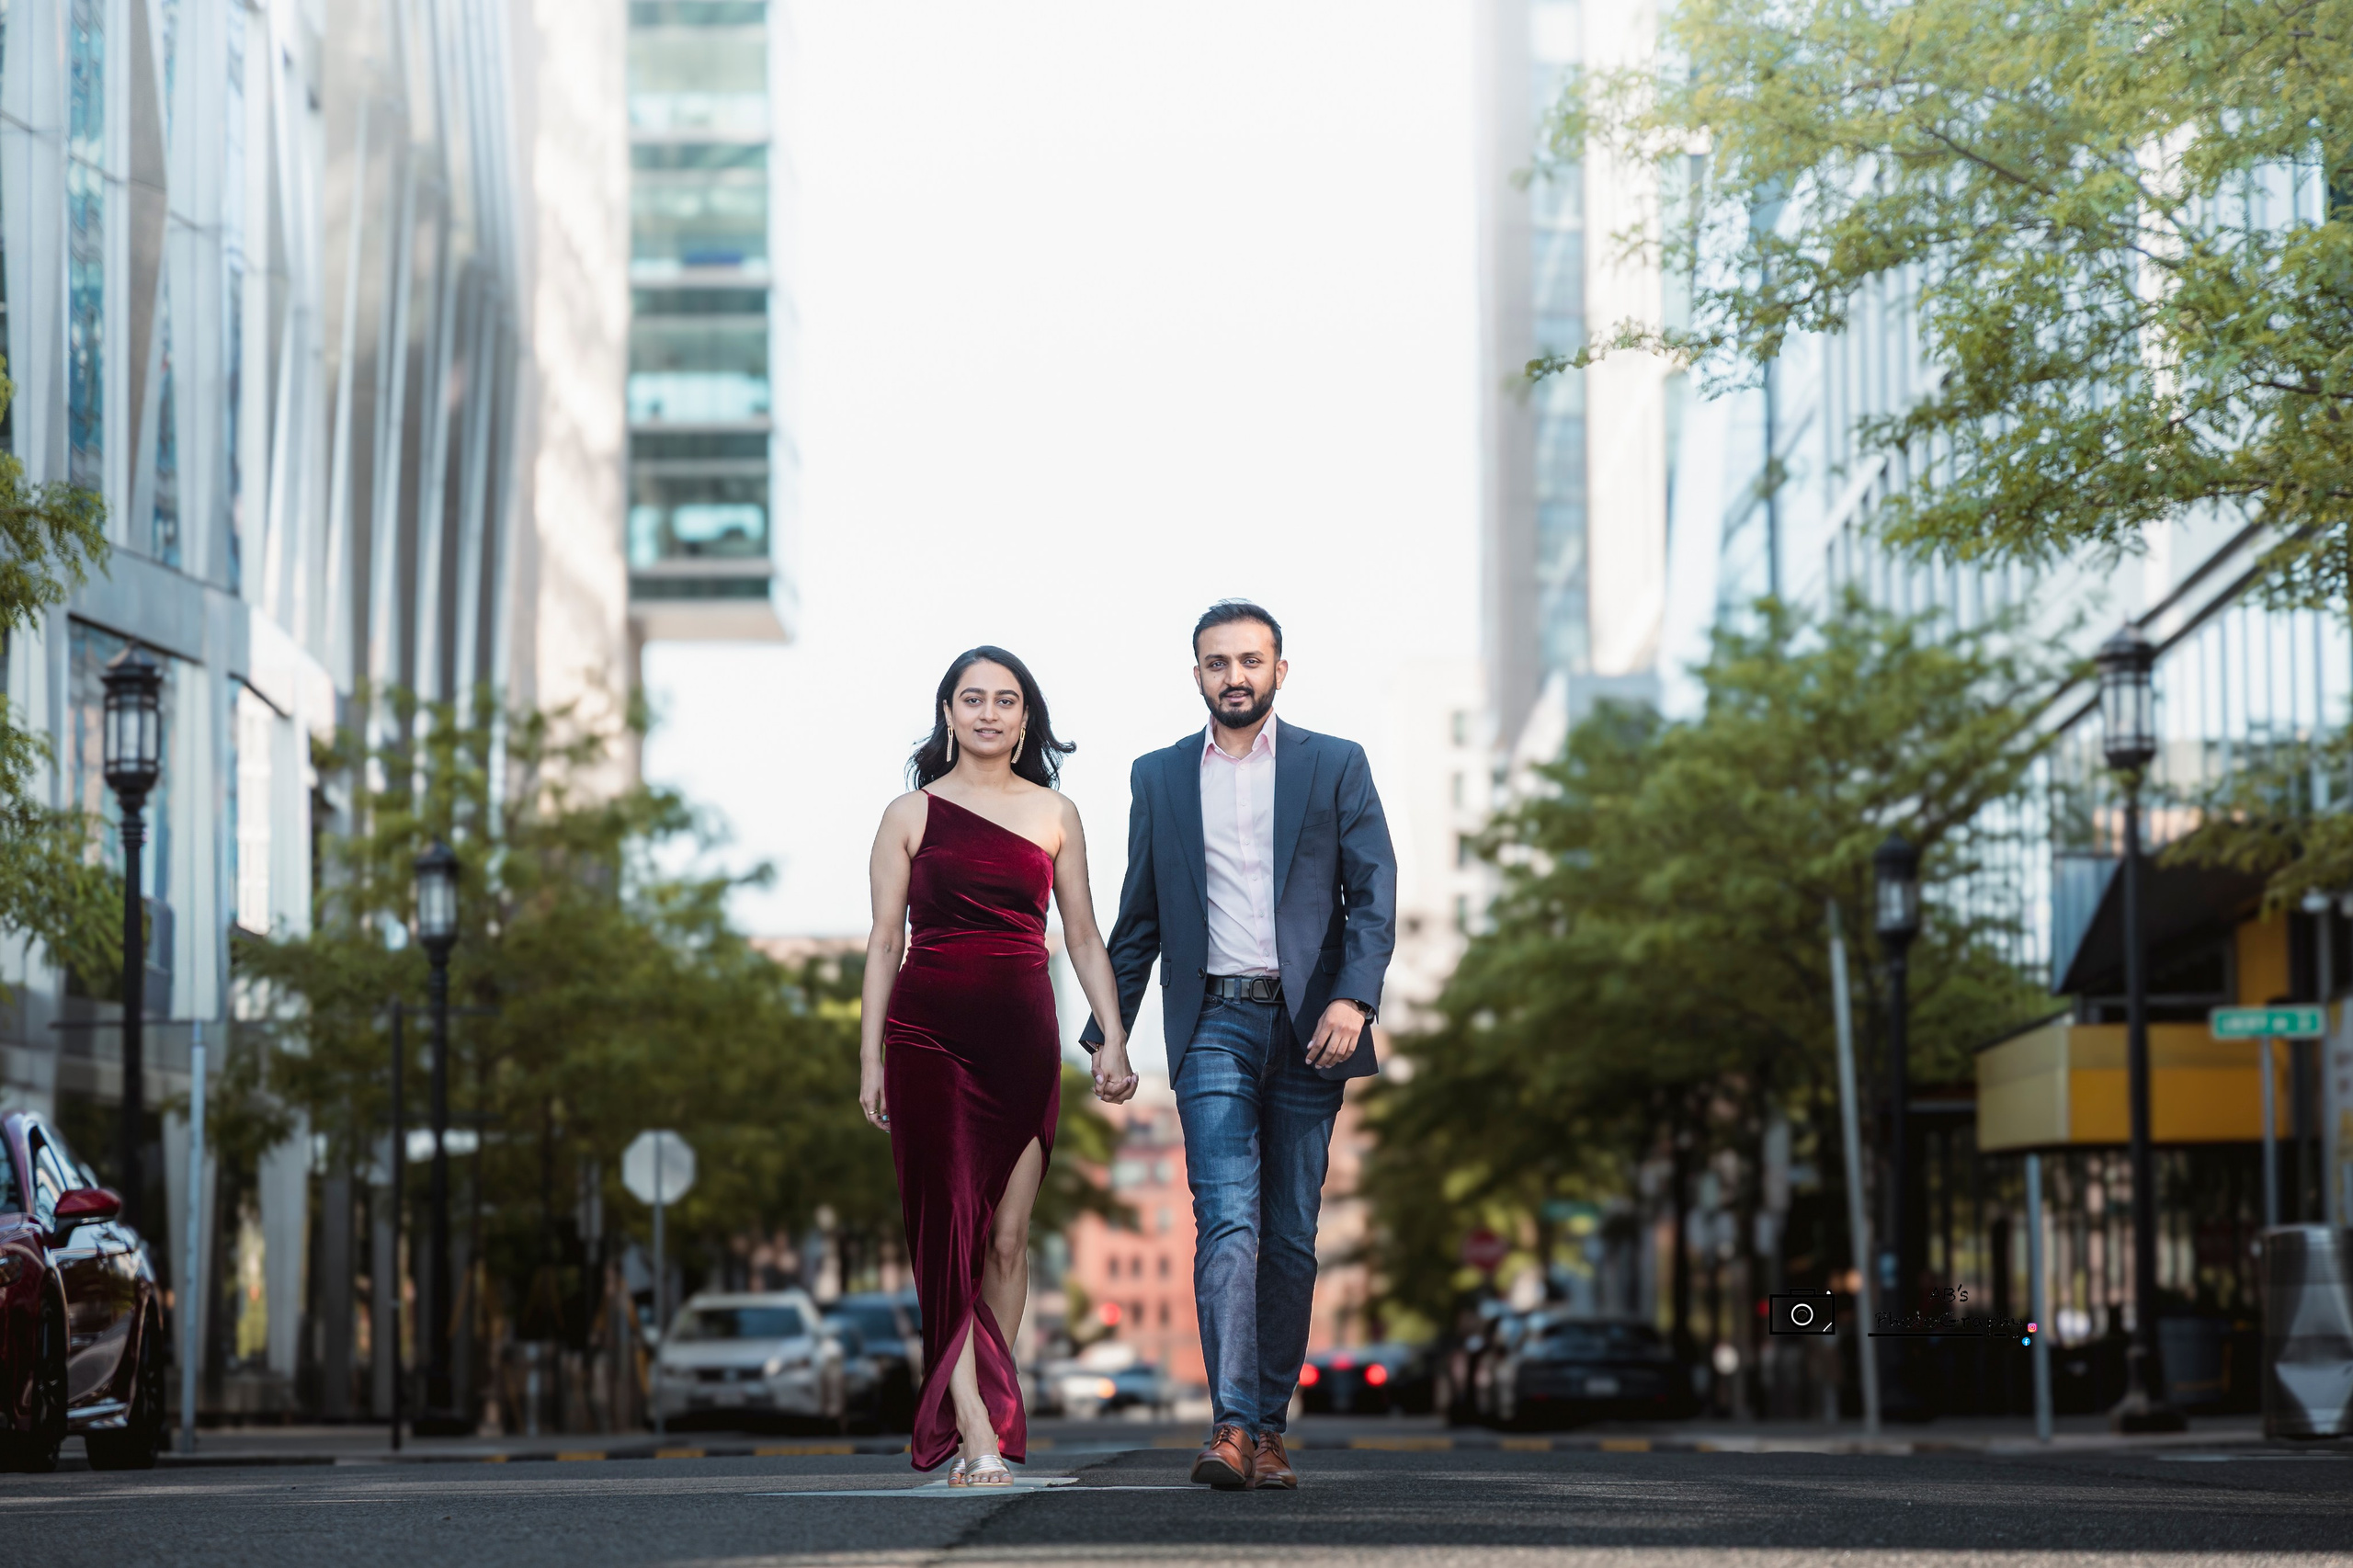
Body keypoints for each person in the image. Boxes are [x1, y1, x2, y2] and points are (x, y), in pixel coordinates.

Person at [1082, 600, 1396, 1491]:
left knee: (1290, 1236)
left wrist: (1354, 996)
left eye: (1250, 659)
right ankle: (1230, 1427)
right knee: (1226, 1221)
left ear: (1279, 670)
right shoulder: (1160, 776)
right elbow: (1136, 920)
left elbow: (1373, 893)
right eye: (1217, 661)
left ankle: (1268, 1426)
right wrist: (1108, 1036)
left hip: (1312, 1028)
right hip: (1212, 1018)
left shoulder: (1334, 763)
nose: (1235, 675)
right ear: (1197, 675)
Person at [859, 646, 1140, 1485]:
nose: (988, 712)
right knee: (946, 1234)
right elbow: (883, 942)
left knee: (1009, 1241)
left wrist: (1114, 1037)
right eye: (971, 698)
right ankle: (975, 1425)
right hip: (926, 1037)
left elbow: (1084, 937)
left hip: (1023, 1038)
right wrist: (868, 1055)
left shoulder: (1057, 813)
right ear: (947, 714)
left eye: (1005, 700)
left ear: (1026, 718)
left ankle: (977, 1394)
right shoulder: (909, 813)